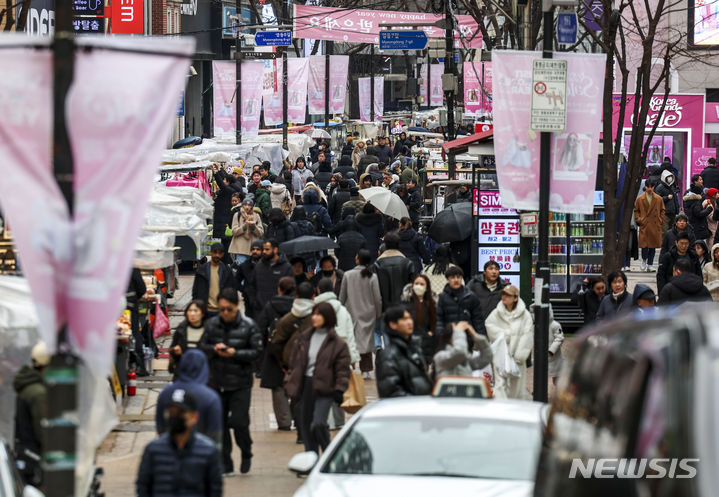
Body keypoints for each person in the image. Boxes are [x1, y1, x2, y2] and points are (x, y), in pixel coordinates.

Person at [199, 288, 262, 475]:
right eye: (222, 309)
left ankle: (246, 451)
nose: (225, 313)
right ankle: (226, 463)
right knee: (221, 425)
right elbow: (202, 347)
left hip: (241, 383)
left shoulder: (249, 326)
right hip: (217, 382)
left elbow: (257, 353)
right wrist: (214, 349)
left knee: (239, 422)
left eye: (229, 309)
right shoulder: (211, 325)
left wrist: (235, 353)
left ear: (237, 306)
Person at [284, 303, 351, 454]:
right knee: (306, 426)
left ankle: (329, 454)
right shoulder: (304, 338)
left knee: (318, 423)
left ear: (328, 317)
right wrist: (290, 382)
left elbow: (342, 370)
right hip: (305, 386)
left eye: (319, 314)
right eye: (313, 314)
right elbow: (294, 363)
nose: (314, 317)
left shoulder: (338, 344)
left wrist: (340, 389)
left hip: (325, 388)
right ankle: (311, 459)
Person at [137, 390, 223, 497]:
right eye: (172, 412)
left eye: (180, 413)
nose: (175, 417)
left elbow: (214, 489)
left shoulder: (208, 451)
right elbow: (143, 486)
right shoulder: (153, 450)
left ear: (194, 417)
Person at [314, 278, 359, 430]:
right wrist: (352, 356)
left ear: (318, 290)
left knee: (325, 387)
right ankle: (339, 421)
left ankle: (328, 421)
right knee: (339, 386)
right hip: (342, 353)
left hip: (323, 354)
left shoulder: (317, 309)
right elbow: (350, 333)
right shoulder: (342, 309)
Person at [156, 350, 223, 447]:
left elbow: (160, 426)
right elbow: (215, 436)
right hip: (201, 454)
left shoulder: (165, 393)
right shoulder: (211, 397)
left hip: (170, 451)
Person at [256, 277, 296, 432]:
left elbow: (261, 327)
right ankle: (297, 417)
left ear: (279, 289)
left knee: (278, 388)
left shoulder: (271, 305)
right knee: (298, 385)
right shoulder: (298, 306)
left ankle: (284, 422)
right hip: (295, 351)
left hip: (275, 351)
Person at [485, 285, 533, 399]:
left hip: (517, 356)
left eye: (508, 295)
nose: (504, 297)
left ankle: (515, 408)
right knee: (500, 383)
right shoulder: (496, 313)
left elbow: (528, 335)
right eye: (503, 294)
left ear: (515, 298)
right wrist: (505, 335)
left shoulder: (525, 315)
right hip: (500, 354)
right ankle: (500, 408)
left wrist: (520, 355)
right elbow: (489, 325)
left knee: (517, 384)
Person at [340, 250, 383, 376]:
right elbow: (377, 298)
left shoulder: (348, 275)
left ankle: (351, 366)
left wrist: (340, 308)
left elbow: (342, 296)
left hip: (351, 312)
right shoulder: (372, 276)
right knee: (367, 342)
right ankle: (366, 370)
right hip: (368, 313)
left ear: (357, 259)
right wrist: (378, 313)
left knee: (351, 341)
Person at [375, 306, 433, 398]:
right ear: (393, 324)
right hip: (406, 408)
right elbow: (391, 391)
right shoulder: (388, 355)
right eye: (404, 319)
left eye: (410, 318)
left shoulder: (415, 347)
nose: (410, 322)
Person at [13, 342, 49, 487]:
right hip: (35, 455)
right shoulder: (38, 393)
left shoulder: (28, 386)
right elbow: (41, 430)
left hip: (25, 451)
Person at [247, 239, 294, 316]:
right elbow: (252, 286)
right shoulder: (259, 266)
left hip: (279, 311)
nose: (264, 252)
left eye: (267, 249)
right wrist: (254, 302)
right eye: (263, 249)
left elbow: (291, 290)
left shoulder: (286, 267)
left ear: (275, 250)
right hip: (260, 310)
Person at [400, 274, 438, 366]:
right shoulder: (405, 303)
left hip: (426, 344)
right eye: (416, 283)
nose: (419, 286)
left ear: (427, 287)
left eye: (422, 284)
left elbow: (435, 323)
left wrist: (431, 334)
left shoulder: (432, 304)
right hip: (409, 343)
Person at [437, 265, 485, 336]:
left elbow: (478, 320)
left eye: (458, 277)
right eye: (453, 277)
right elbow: (439, 320)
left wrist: (480, 337)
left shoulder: (471, 296)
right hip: (448, 337)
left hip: (467, 337)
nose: (456, 280)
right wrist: (441, 336)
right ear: (448, 279)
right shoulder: (442, 297)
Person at [375, 232, 416, 311]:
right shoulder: (407, 263)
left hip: (384, 308)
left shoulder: (378, 264)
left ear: (385, 245)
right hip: (404, 307)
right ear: (398, 245)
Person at [192, 244, 235, 316]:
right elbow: (195, 291)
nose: (217, 255)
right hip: (205, 310)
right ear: (210, 253)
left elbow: (232, 290)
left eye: (220, 253)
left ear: (223, 254)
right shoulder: (201, 270)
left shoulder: (227, 271)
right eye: (215, 252)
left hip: (222, 311)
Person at [169, 300, 208, 379]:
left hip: (202, 371)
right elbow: (172, 348)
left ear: (203, 313)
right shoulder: (181, 328)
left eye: (196, 311)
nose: (192, 314)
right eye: (190, 311)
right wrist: (175, 351)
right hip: (183, 370)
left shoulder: (209, 329)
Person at [634, 178, 665, 272]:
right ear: (645, 187)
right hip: (645, 225)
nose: (650, 189)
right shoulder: (640, 199)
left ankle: (650, 264)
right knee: (644, 245)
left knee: (653, 246)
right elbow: (636, 211)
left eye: (651, 187)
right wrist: (639, 220)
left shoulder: (659, 199)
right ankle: (643, 261)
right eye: (648, 187)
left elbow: (662, 210)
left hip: (655, 225)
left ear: (654, 187)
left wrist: (660, 220)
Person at [229, 198, 264, 265]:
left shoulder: (256, 216)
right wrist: (245, 226)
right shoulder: (237, 215)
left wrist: (253, 227)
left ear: (252, 206)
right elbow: (234, 231)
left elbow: (261, 233)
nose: (247, 207)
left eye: (249, 205)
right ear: (242, 206)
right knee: (242, 269)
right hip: (240, 248)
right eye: (245, 205)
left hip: (253, 248)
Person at [684, 174, 713, 245]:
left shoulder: (703, 191)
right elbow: (696, 212)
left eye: (702, 179)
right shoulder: (689, 193)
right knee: (697, 240)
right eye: (700, 180)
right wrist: (708, 209)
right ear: (695, 181)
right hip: (697, 220)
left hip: (700, 219)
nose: (702, 181)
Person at [236, 241, 262, 318]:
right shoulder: (244, 266)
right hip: (249, 299)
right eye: (253, 249)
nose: (255, 251)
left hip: (263, 299)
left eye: (258, 249)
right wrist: (244, 290)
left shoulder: (267, 265)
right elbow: (236, 280)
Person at [655, 170, 680, 235]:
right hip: (665, 213)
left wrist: (677, 210)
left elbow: (675, 200)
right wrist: (666, 198)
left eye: (670, 177)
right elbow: (657, 199)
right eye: (668, 177)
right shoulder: (660, 187)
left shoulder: (672, 187)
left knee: (672, 231)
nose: (669, 179)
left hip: (673, 213)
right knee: (664, 231)